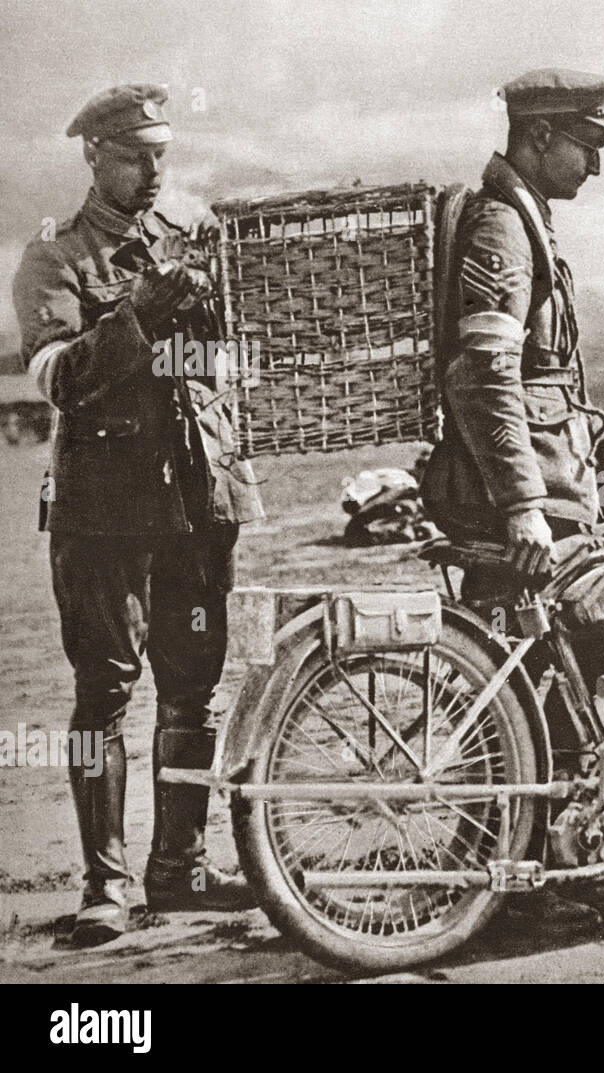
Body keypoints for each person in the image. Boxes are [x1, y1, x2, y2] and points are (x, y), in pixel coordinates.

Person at [12, 84, 264, 947]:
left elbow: (212, 367)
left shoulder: (183, 246)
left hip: (194, 505)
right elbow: (59, 379)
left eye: (161, 154)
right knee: (102, 698)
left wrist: (208, 315)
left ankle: (181, 868)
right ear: (94, 156)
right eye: (134, 156)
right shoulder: (55, 256)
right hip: (103, 514)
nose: (153, 171)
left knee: (193, 689)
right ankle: (104, 885)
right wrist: (140, 313)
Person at [421, 68, 604, 925]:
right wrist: (521, 500)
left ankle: (541, 860)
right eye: (588, 144)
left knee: (555, 679)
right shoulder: (500, 229)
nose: (595, 163)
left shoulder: (523, 218)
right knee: (540, 686)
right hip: (518, 498)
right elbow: (483, 372)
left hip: (554, 480)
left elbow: (550, 377)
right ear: (541, 136)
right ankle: (529, 885)